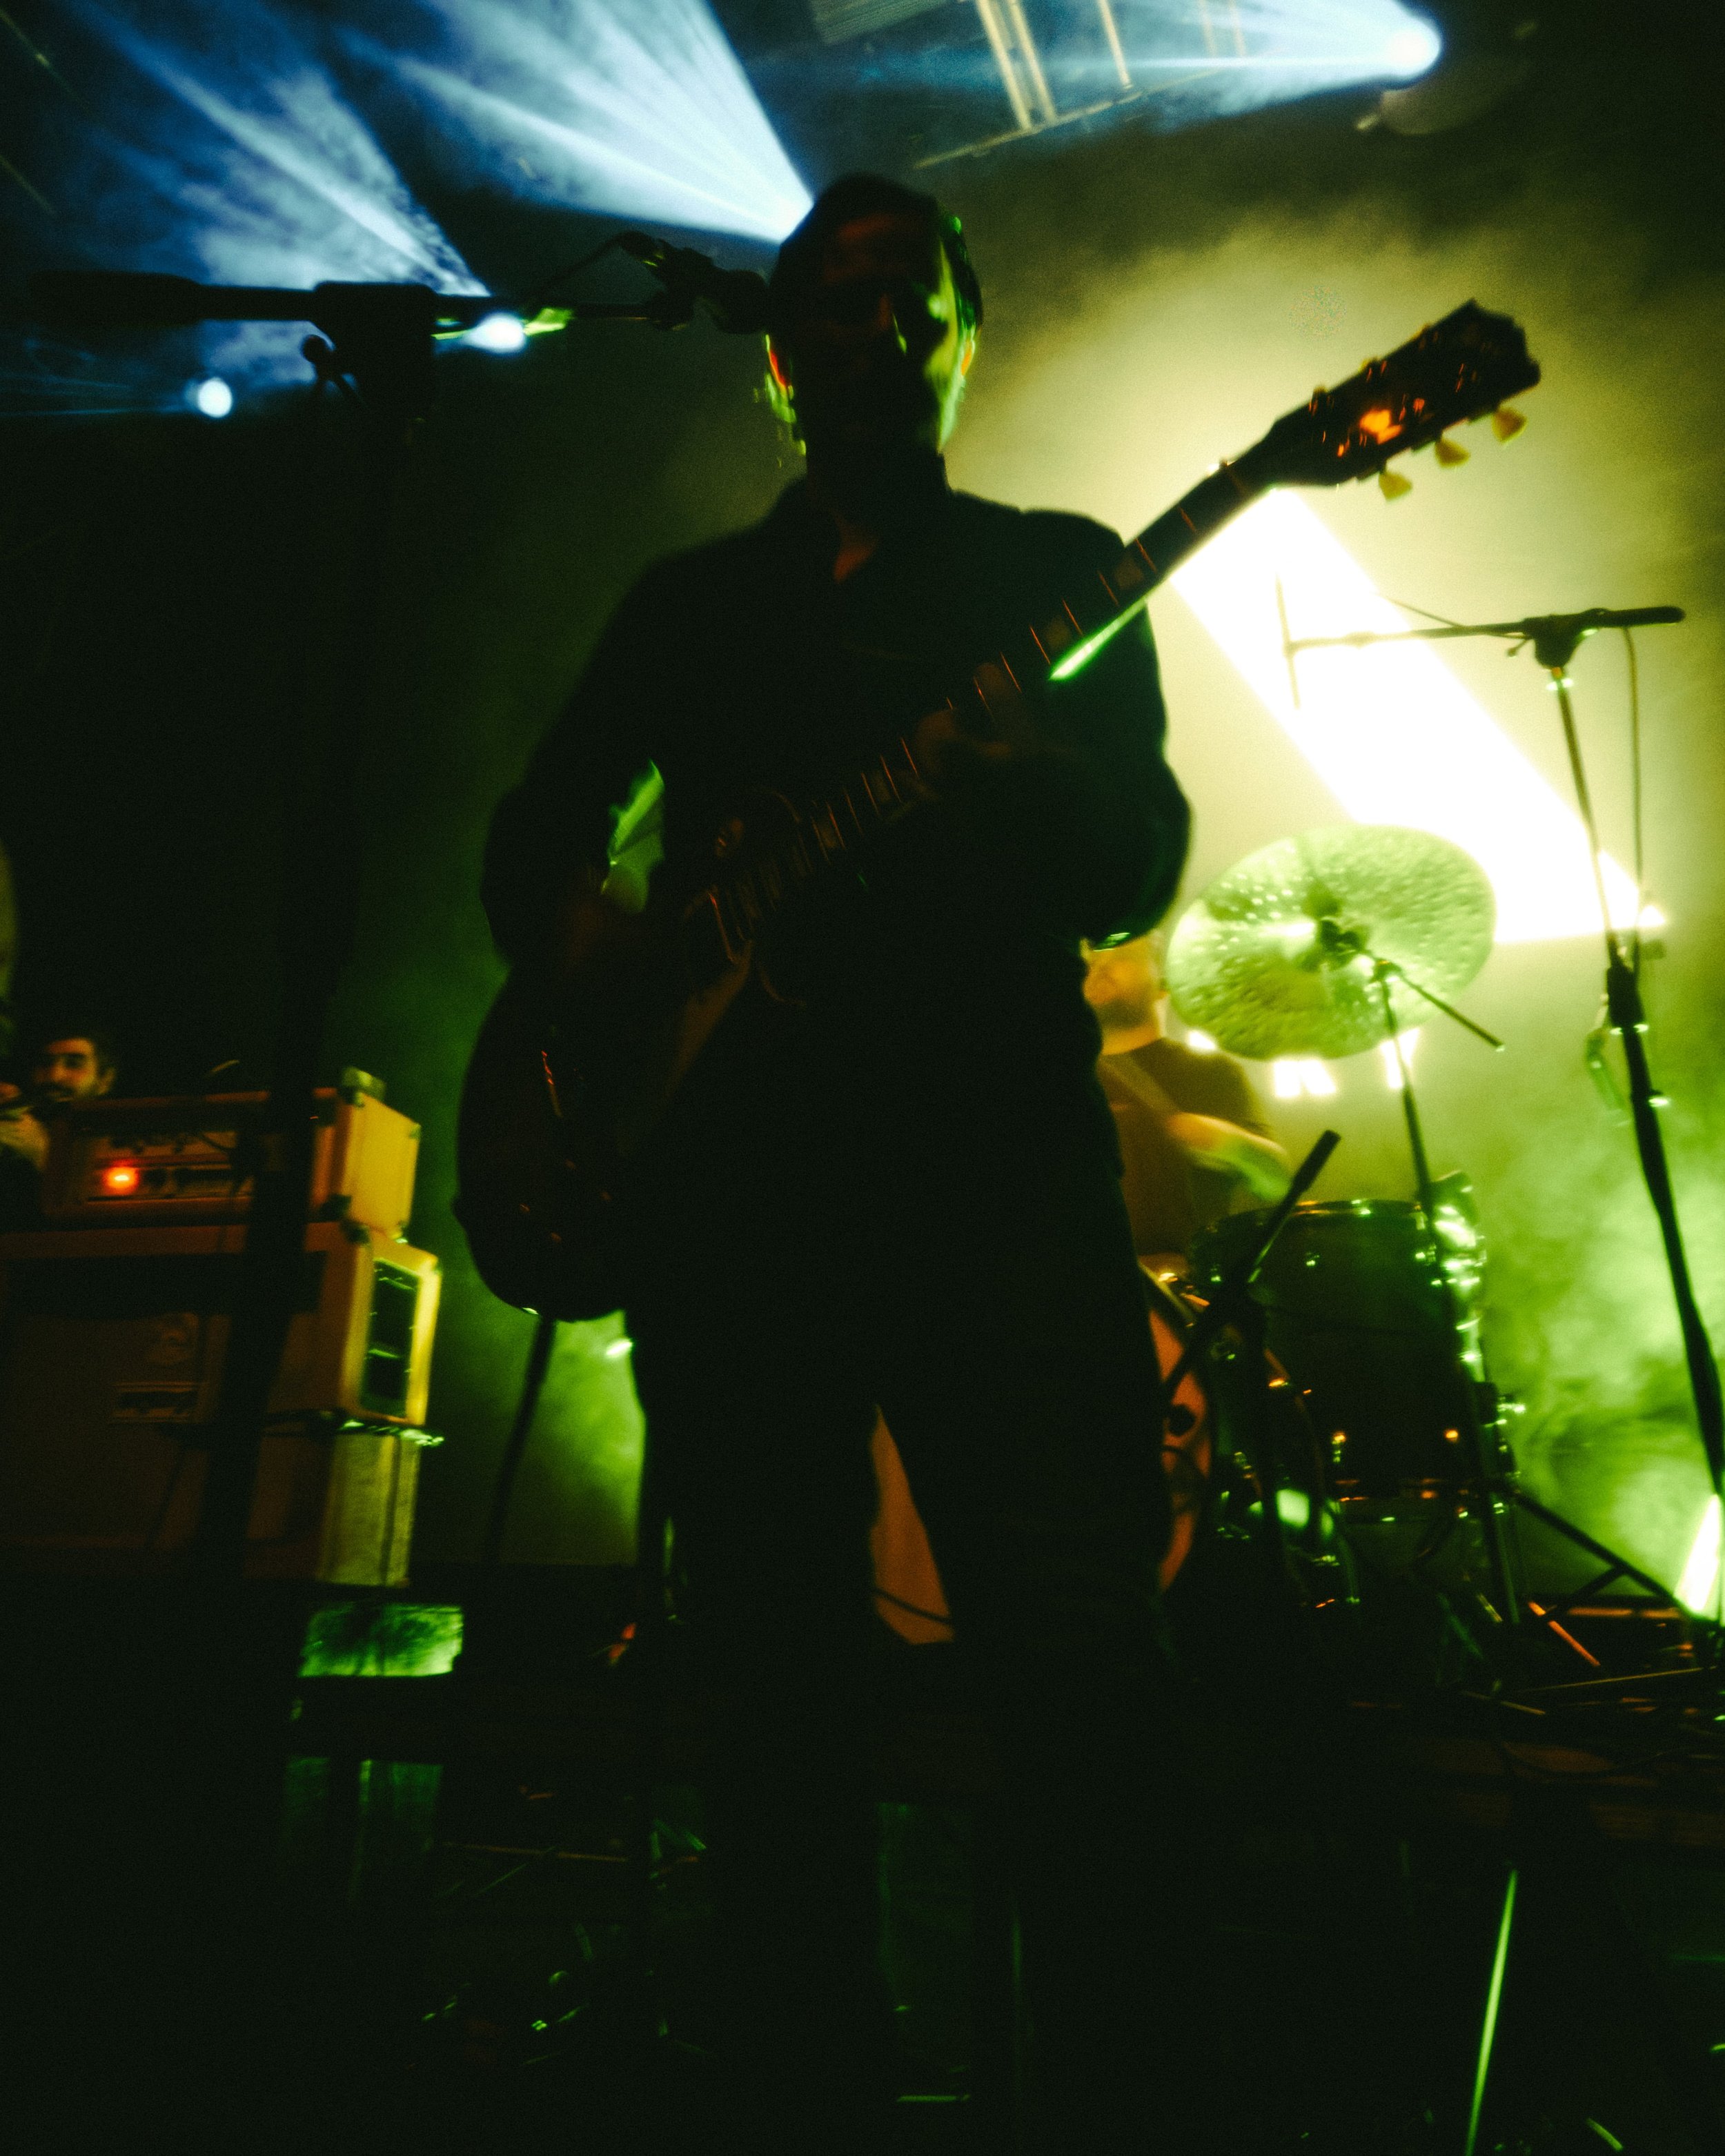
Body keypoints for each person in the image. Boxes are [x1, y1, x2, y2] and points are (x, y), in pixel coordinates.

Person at [481, 176, 1192, 2153]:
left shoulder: (1058, 575)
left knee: (1075, 1677)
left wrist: (1028, 765)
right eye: (838, 296)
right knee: (772, 1696)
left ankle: (1119, 2094)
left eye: (915, 294)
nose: (877, 323)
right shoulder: (690, 608)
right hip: (734, 1204)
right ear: (777, 356)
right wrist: (607, 959)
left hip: (993, 1187)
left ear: (966, 338)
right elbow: (538, 836)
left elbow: (1132, 861)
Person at [1083, 929, 1290, 1269]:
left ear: (1162, 983)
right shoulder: (1061, 1078)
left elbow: (1278, 1183)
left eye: (1123, 956)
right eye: (1092, 959)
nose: (1101, 965)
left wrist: (1229, 1143)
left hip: (1186, 1292)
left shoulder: (1211, 1073)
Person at [0, 1022, 118, 1228]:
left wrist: (43, 1155)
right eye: (45, 1064)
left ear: (105, 1081)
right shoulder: (17, 1118)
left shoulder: (118, 1139)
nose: (54, 1076)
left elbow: (106, 1225)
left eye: (73, 1064)